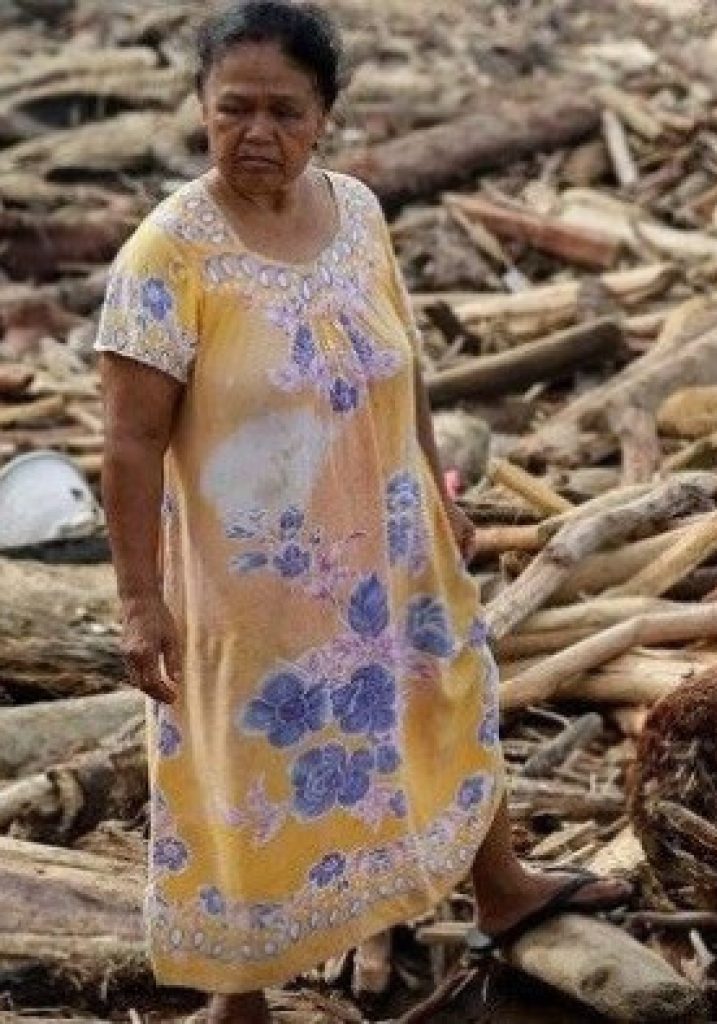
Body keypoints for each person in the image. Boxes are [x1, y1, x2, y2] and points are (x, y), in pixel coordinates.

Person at [96, 2, 630, 1021]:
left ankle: (501, 887)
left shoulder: (356, 213)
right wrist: (139, 600)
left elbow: (404, 365)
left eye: (284, 112)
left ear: (325, 117)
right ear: (200, 112)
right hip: (256, 581)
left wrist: (433, 485)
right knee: (245, 769)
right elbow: (128, 441)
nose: (257, 133)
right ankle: (239, 995)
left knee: (447, 699)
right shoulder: (166, 257)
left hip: (389, 543)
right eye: (231, 110)